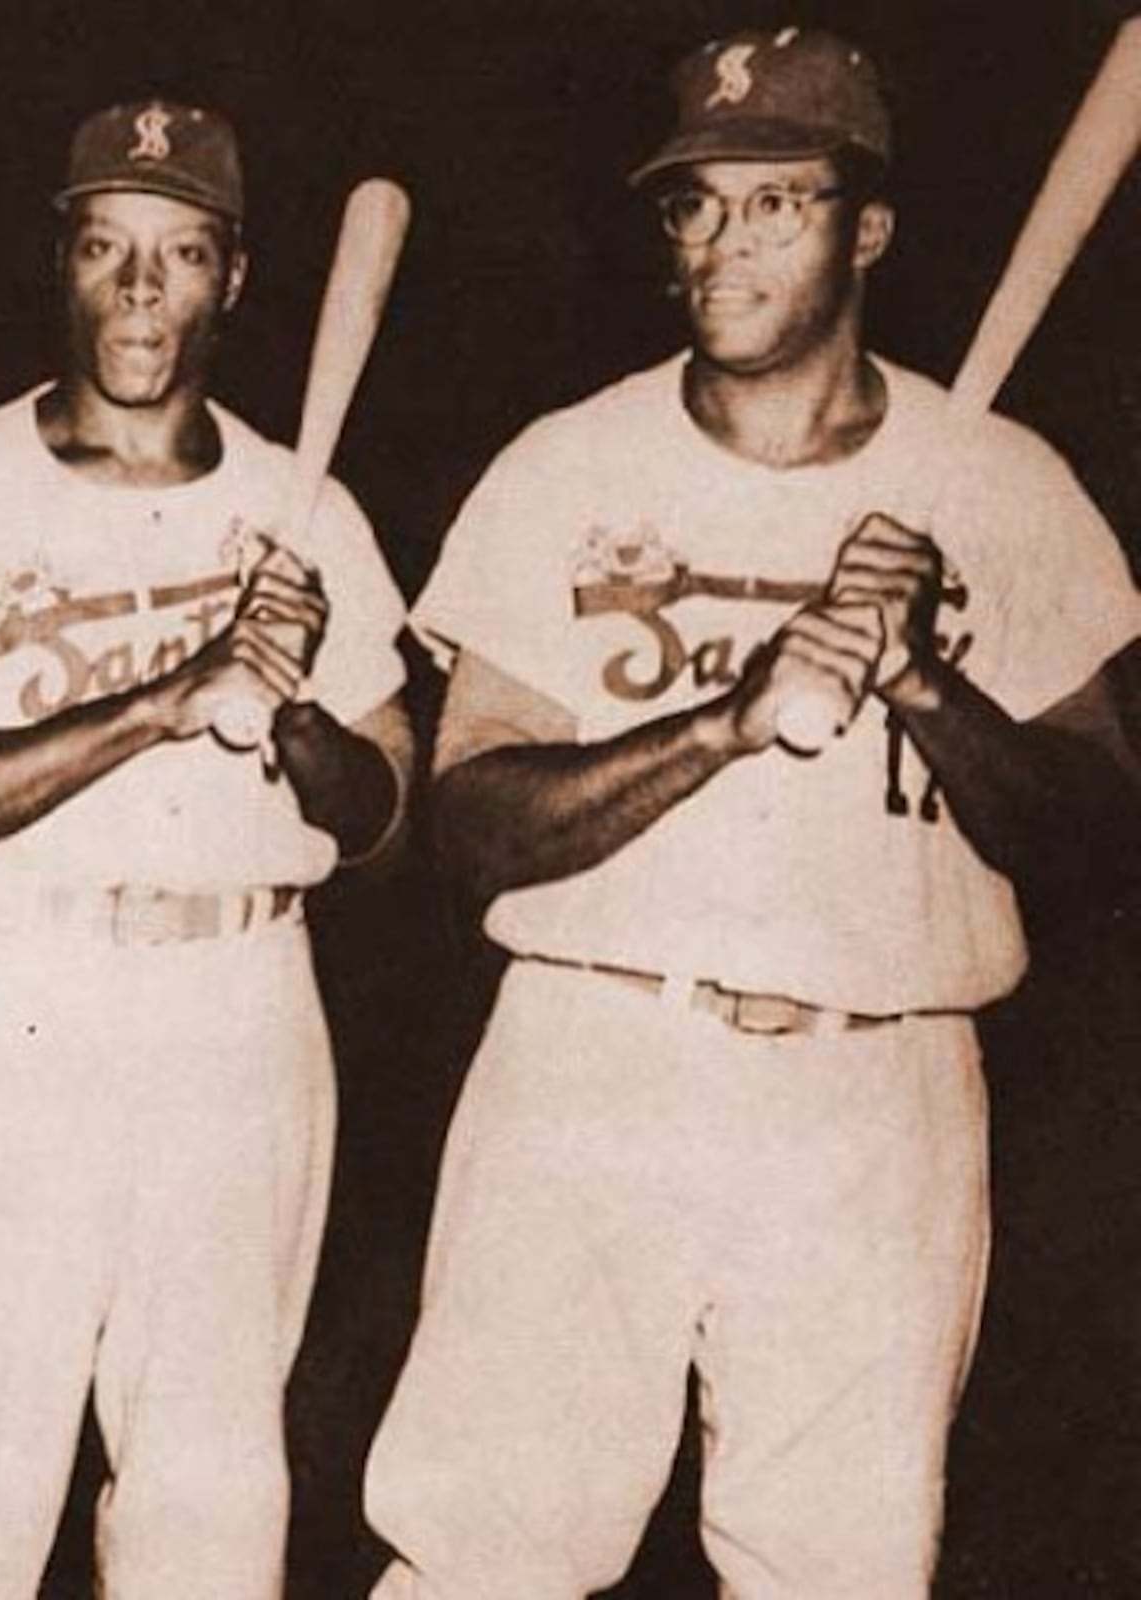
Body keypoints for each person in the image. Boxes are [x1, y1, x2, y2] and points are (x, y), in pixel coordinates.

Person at [363, 28, 1141, 1597]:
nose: (720, 246)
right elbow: (472, 825)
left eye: (775, 203)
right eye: (695, 206)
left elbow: (1098, 845)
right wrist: (722, 722)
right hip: (595, 1062)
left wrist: (926, 681)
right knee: (482, 1561)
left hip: (882, 1089)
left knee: (838, 1571)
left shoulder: (1007, 485)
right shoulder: (564, 466)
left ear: (870, 230)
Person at [0, 101, 413, 1598]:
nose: (142, 290)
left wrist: (299, 723)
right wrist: (164, 701)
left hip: (240, 1011)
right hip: (12, 1000)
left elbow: (392, 830)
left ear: (238, 279)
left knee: (207, 1511)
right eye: (106, 248)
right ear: (58, 265)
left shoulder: (305, 511)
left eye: (181, 252)